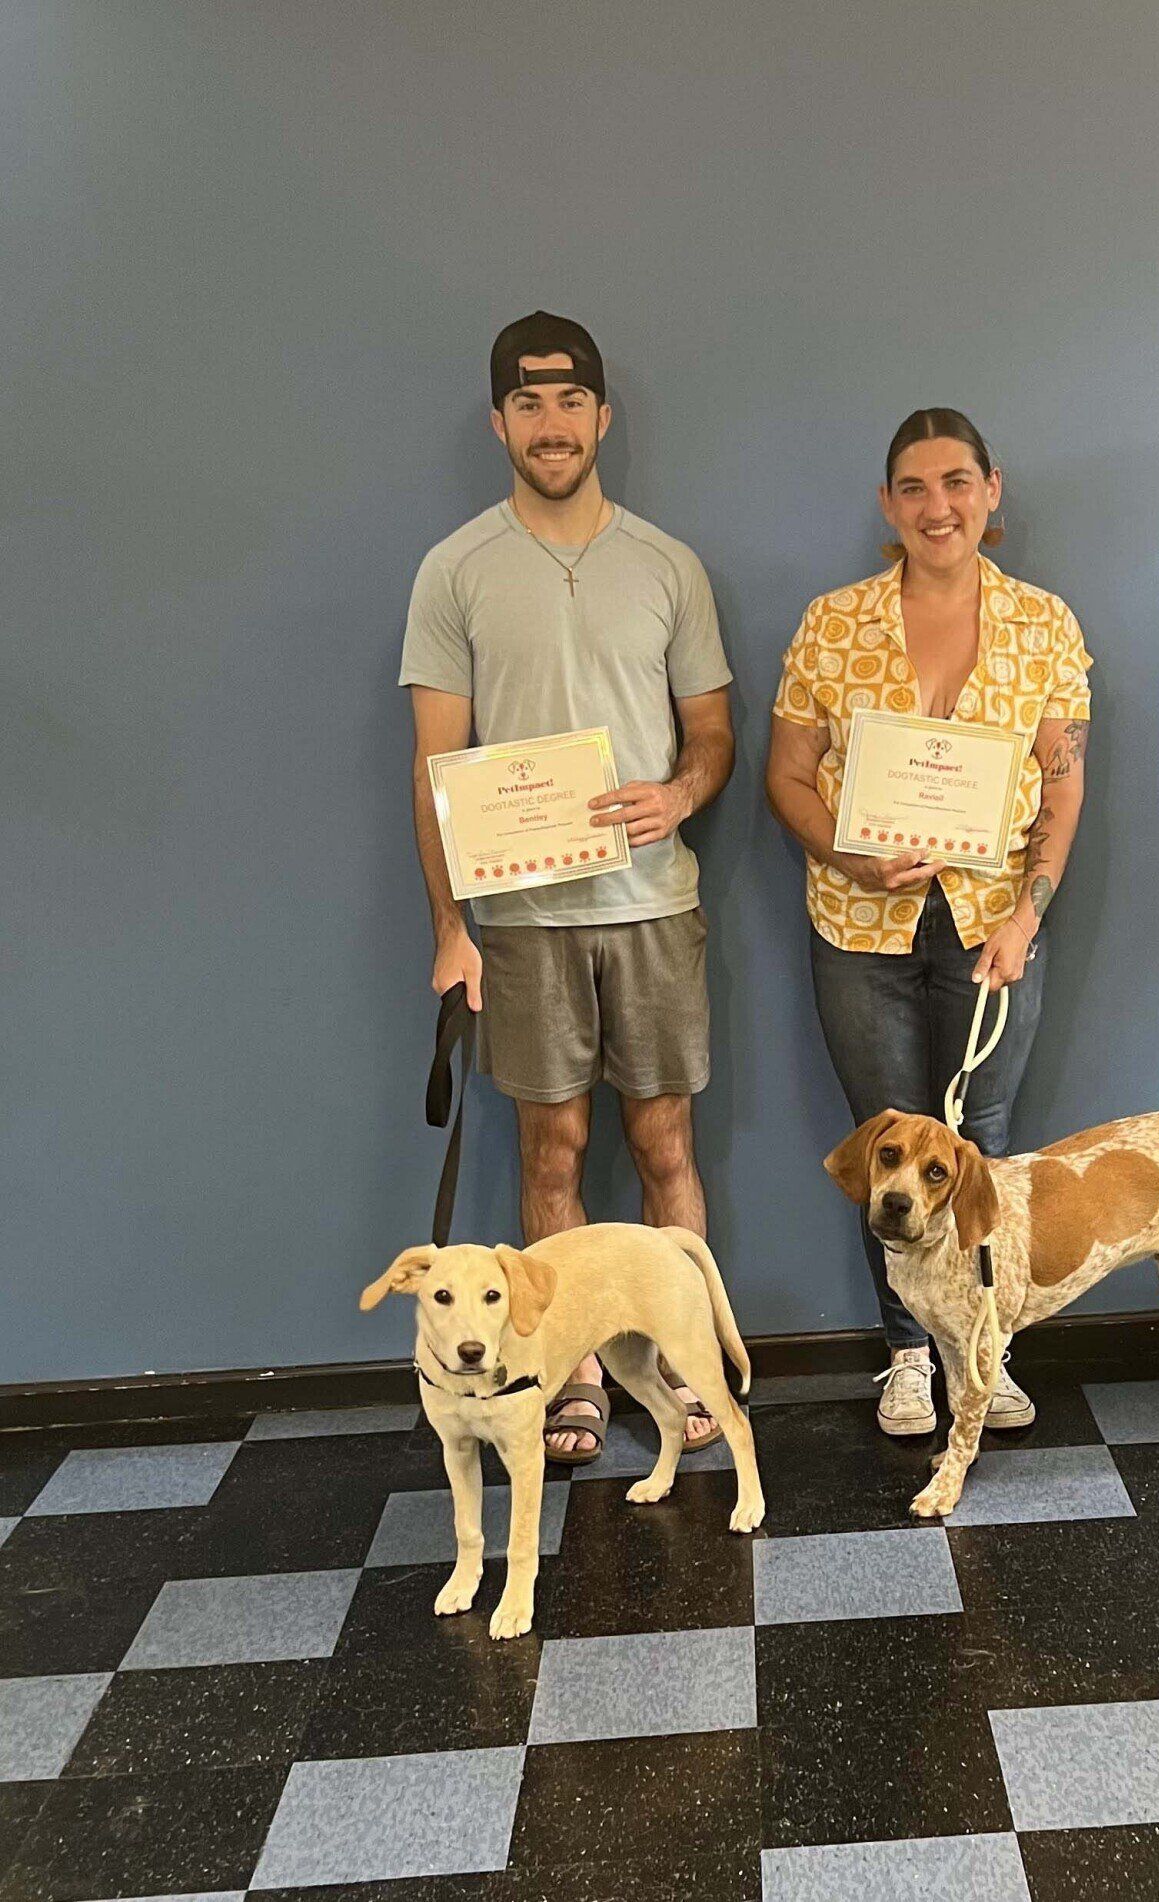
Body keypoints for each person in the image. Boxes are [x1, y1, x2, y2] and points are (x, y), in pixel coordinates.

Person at [401, 311, 734, 1462]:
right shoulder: (455, 570)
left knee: (666, 1150)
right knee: (550, 1155)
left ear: (604, 415)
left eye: (570, 401)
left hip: (653, 907)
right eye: (527, 404)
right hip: (524, 927)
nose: (552, 424)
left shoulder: (667, 565)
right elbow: (437, 767)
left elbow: (714, 735)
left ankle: (687, 1373)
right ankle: (575, 1377)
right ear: (500, 422)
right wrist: (452, 929)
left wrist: (680, 797)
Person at [766, 409, 1092, 1436]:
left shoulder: (1045, 624)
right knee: (885, 1147)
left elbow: (1064, 785)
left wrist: (1028, 914)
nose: (936, 505)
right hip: (856, 925)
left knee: (982, 1142)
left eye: (956, 482)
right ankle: (909, 1356)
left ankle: (980, 1356)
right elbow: (784, 775)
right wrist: (845, 852)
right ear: (887, 504)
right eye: (913, 487)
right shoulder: (832, 622)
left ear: (993, 490)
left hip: (993, 923)